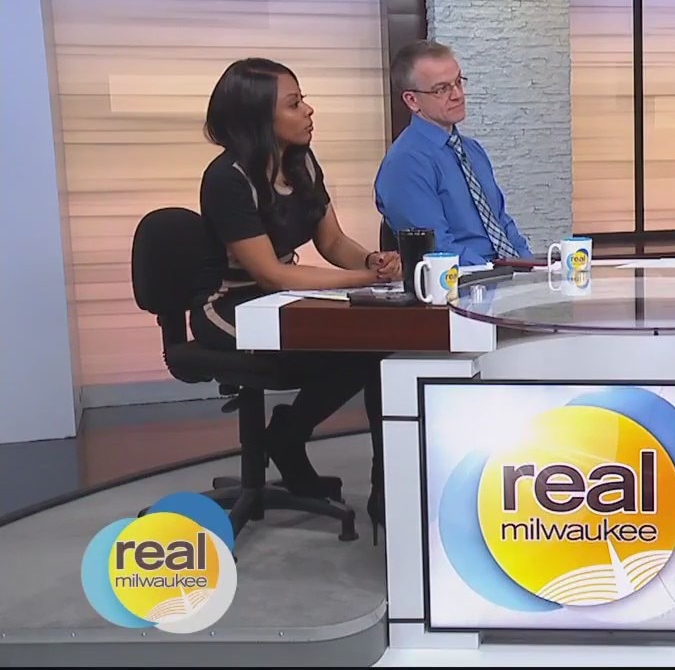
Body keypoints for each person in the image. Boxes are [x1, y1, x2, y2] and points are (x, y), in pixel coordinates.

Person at [190, 57, 399, 536]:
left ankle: (296, 439)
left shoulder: (300, 160)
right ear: (258, 117)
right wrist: (361, 281)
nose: (308, 110)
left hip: (284, 295)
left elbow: (333, 242)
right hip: (230, 305)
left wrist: (371, 262)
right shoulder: (227, 179)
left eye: (302, 100)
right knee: (344, 349)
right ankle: (285, 436)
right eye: (294, 103)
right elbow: (269, 274)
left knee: (374, 346)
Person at [375, 40, 534, 267]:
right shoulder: (406, 163)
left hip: (505, 274)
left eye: (458, 82)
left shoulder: (473, 150)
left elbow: (502, 223)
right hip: (464, 278)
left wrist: (530, 267)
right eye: (442, 89)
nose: (458, 95)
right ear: (412, 100)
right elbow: (437, 248)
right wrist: (498, 272)